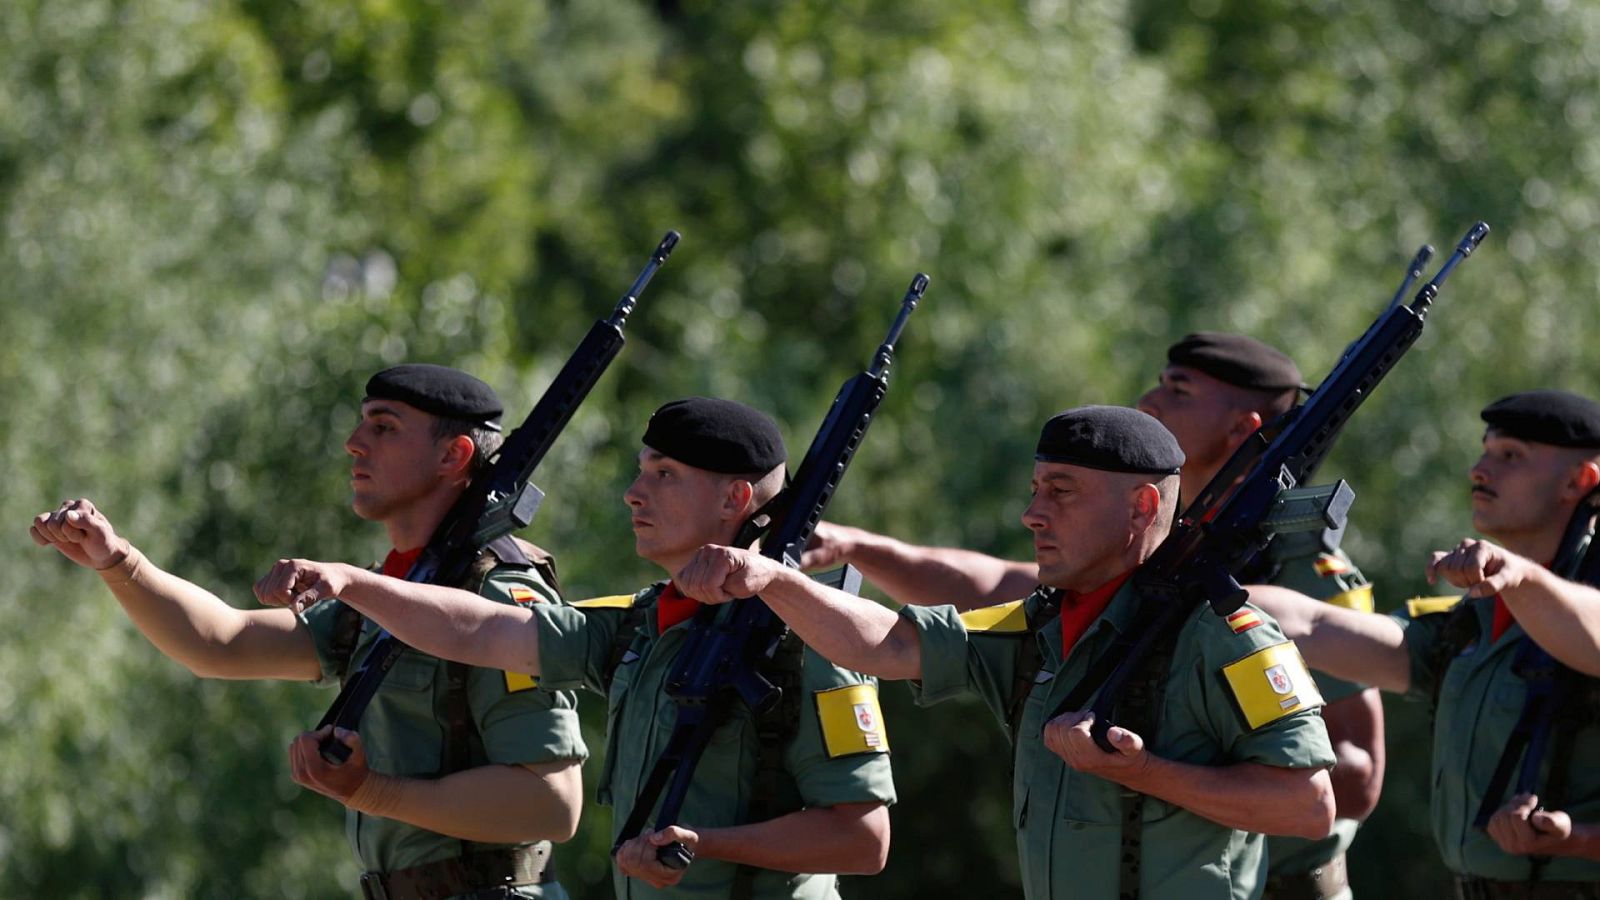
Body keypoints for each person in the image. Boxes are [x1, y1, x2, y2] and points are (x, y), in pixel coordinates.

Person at [804, 332, 1383, 898]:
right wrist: (854, 548)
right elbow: (988, 593)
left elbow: (1344, 787)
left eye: (1179, 392)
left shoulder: (1292, 578)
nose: (1149, 402)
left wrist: (1168, 760)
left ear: (1242, 429)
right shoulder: (1112, 580)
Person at [677, 405, 1336, 899]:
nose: (1033, 514)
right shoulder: (1038, 627)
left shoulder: (1227, 635)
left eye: (1062, 491)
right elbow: (892, 643)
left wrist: (1143, 772)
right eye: (1035, 489)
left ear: (1140, 506)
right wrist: (774, 581)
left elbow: (1307, 806)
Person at [253, 396, 895, 900]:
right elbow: (477, 628)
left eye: (665, 475)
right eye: (642, 470)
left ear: (734, 498)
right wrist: (354, 581)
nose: (634, 493)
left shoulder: (812, 639)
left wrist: (707, 845)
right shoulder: (643, 625)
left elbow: (864, 839)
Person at [31, 364, 585, 900]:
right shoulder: (386, 590)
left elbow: (552, 803)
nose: (354, 441)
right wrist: (117, 560)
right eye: (363, 421)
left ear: (453, 454)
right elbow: (222, 642)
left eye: (384, 427)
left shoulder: (499, 595)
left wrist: (373, 792)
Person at [1253, 389, 1600, 893]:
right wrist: (1217, 596)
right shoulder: (1477, 615)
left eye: (1511, 456)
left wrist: (1579, 840)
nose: (1480, 470)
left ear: (1580, 480)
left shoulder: (1549, 595)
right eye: (1485, 451)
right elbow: (1313, 626)